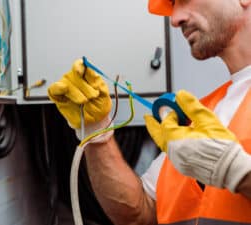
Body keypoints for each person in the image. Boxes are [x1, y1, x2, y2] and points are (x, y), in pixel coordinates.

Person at [48, 0, 251, 224]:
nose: (175, 19)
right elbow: (139, 213)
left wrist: (236, 170)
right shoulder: (203, 113)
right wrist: (97, 131)